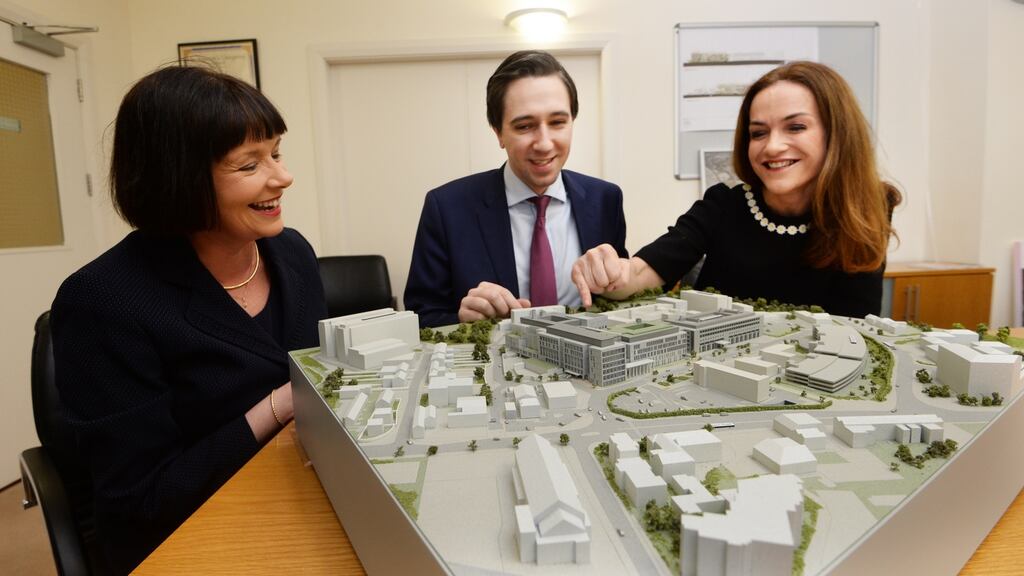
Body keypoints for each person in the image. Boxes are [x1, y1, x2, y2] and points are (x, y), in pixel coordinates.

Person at [50, 66, 327, 574]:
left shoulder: (291, 252)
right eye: (249, 165)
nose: (282, 177)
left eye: (276, 153)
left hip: (298, 493)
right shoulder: (103, 302)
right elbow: (140, 500)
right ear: (177, 177)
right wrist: (280, 404)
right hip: (188, 537)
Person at [572, 61, 900, 318]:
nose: (772, 146)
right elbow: (643, 272)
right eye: (758, 133)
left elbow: (859, 324)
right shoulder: (722, 205)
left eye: (796, 127)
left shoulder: (869, 207)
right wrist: (609, 272)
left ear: (836, 134)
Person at [404, 50, 628, 328]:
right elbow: (421, 317)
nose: (544, 143)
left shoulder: (605, 199)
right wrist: (461, 320)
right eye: (525, 126)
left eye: (558, 122)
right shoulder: (447, 208)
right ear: (498, 132)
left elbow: (619, 297)